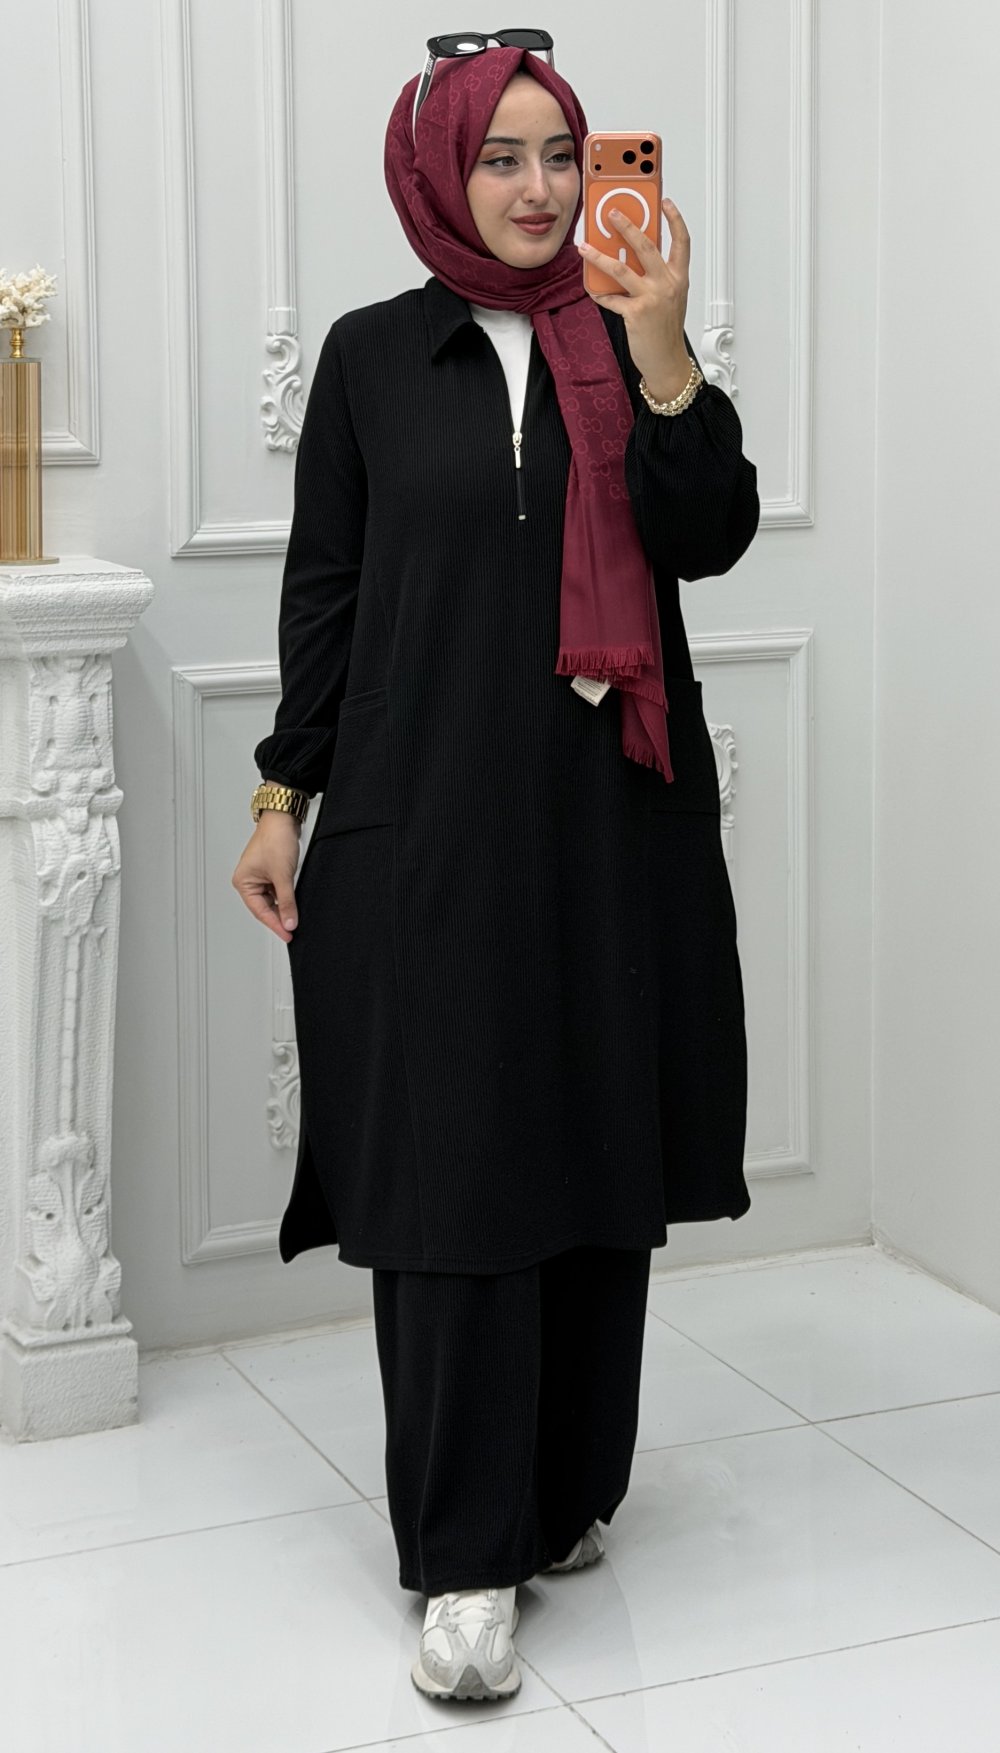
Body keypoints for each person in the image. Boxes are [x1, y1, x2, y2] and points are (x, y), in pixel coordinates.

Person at [232, 38, 759, 1704]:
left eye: (560, 154)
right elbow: (326, 590)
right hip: (432, 818)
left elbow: (709, 533)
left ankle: (562, 1490)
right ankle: (466, 1552)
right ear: (439, 174)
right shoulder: (373, 358)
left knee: (599, 1135)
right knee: (453, 1170)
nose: (537, 189)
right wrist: (281, 791)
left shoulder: (629, 334)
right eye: (500, 158)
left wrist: (665, 353)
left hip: (612, 814)